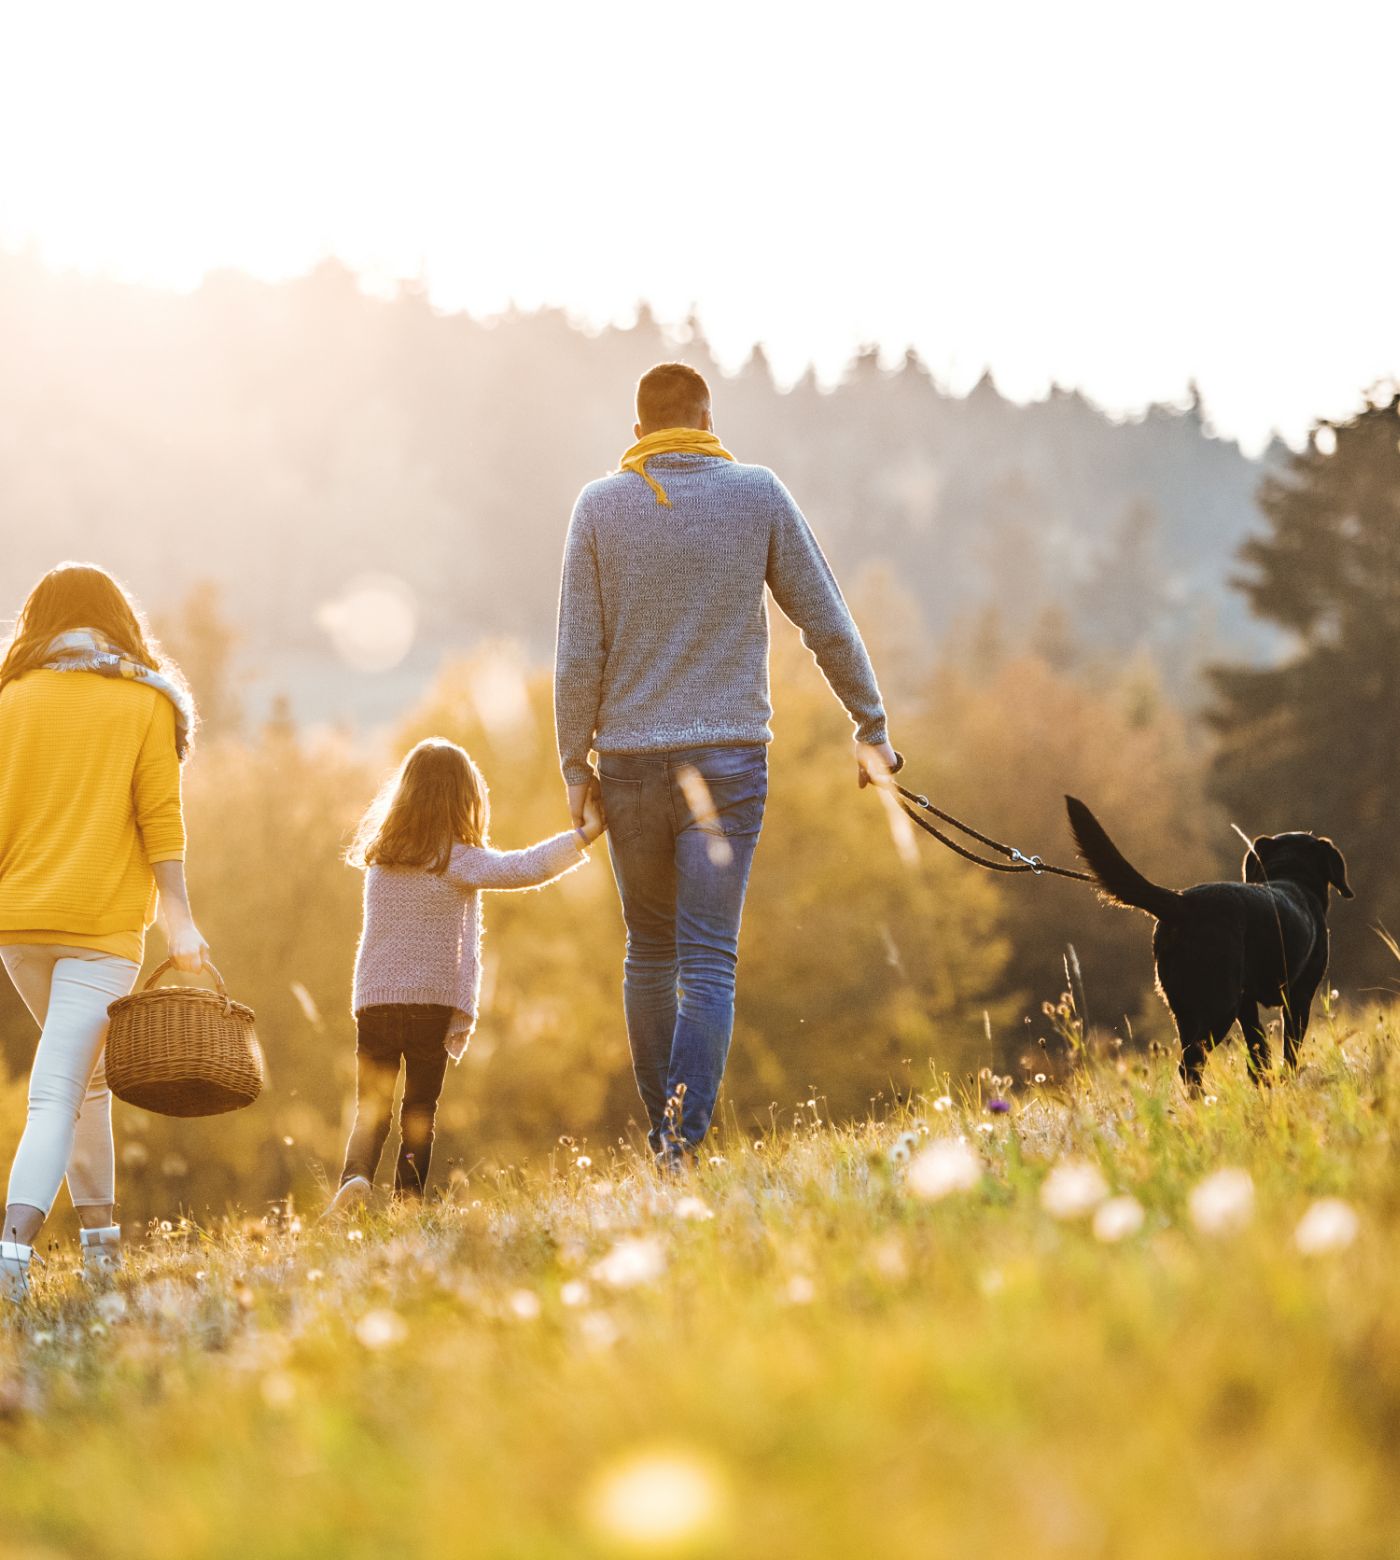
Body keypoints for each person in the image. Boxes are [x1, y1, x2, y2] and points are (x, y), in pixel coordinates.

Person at [554, 362, 897, 1166]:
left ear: (638, 432)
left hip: (631, 764)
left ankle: (666, 1140)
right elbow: (826, 620)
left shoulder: (600, 506)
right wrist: (870, 723)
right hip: (729, 761)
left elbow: (577, 658)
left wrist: (576, 767)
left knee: (649, 950)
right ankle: (679, 1143)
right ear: (708, 420)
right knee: (707, 957)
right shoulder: (757, 493)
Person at [0, 562, 208, 1300]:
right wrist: (182, 922)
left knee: (86, 1086)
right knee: (60, 1091)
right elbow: (162, 823)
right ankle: (11, 1265)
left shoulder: (9, 697)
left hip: (17, 925)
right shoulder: (143, 702)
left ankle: (101, 1256)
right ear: (118, 620)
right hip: (101, 930)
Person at [326, 737, 605, 1213]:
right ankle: (407, 1201)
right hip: (426, 1008)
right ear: (463, 800)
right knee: (419, 1110)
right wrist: (585, 834)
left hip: (373, 1002)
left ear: (405, 794)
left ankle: (354, 1180)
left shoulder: (381, 860)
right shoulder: (452, 859)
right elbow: (525, 867)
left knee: (370, 1108)